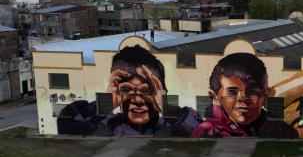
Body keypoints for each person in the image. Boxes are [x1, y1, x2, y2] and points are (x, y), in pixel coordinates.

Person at [57, 45, 200, 137]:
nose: (137, 100)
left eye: (146, 91)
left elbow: (201, 134)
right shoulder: (107, 127)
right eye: (127, 90)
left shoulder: (173, 129)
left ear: (161, 93)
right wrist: (105, 103)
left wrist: (167, 109)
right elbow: (66, 125)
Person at [191, 52, 298, 138]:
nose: (242, 98)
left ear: (265, 95)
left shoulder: (279, 130)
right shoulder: (207, 132)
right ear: (215, 97)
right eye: (232, 91)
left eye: (251, 91)